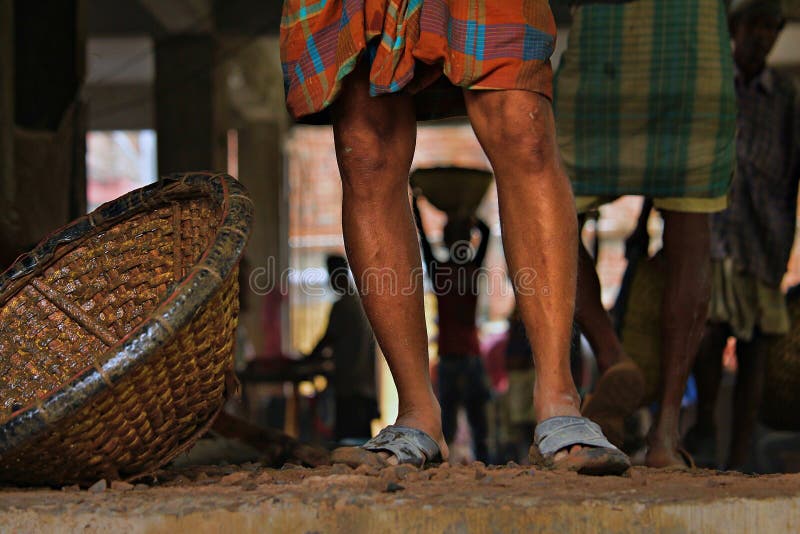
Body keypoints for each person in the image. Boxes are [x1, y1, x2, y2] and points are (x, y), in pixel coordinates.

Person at [281, 0, 628, 474]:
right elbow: (440, 246)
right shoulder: (449, 268)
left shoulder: (458, 266)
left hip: (463, 360)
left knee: (521, 122)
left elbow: (468, 242)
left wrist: (445, 216)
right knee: (365, 145)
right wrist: (437, 216)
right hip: (458, 360)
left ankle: (560, 399)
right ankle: (417, 413)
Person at [553, 0, 737, 467]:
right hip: (694, 45)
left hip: (602, 45)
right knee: (690, 232)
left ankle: (613, 356)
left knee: (550, 219)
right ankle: (665, 433)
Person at [688, 0, 798, 471]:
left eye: (771, 27)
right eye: (754, 25)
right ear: (734, 28)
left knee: (756, 347)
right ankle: (708, 423)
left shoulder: (786, 96)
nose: (762, 36)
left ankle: (739, 456)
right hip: (715, 227)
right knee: (709, 331)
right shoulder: (711, 84)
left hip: (766, 236)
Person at [412, 196, 491, 463]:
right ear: (468, 241)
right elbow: (488, 232)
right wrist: (469, 212)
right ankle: (486, 465)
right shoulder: (472, 268)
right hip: (471, 356)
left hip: (448, 357)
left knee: (446, 423)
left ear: (445, 242)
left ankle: (442, 466)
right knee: (478, 423)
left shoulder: (440, 270)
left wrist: (417, 203)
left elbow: (423, 239)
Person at [308, 255, 380, 445]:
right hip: (365, 387)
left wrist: (307, 360)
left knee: (348, 443)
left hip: (350, 387)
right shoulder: (362, 303)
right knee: (362, 441)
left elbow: (327, 341)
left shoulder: (343, 306)